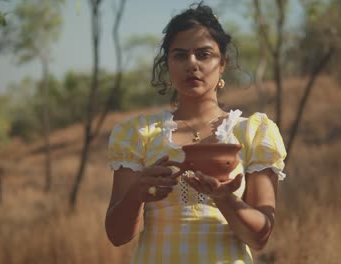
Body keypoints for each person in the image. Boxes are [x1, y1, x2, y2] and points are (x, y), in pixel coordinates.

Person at [105, 3, 287, 263]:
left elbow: (260, 238)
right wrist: (137, 193)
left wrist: (225, 199)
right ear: (168, 64)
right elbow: (117, 236)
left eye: (203, 54)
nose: (192, 64)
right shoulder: (139, 133)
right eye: (180, 55)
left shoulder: (252, 132)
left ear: (222, 64)